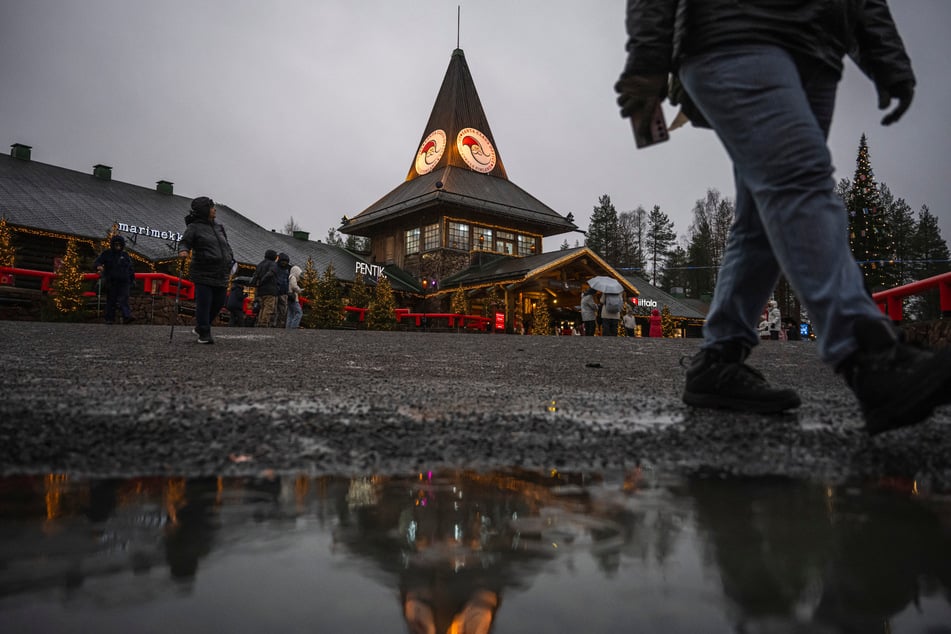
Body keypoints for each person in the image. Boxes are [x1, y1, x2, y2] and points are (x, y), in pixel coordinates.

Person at [616, 0, 951, 434]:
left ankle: (718, 359)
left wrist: (886, 54)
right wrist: (647, 60)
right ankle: (868, 356)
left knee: (759, 218)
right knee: (799, 180)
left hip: (819, 50)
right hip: (731, 29)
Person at [177, 196, 234, 344]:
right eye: (211, 207)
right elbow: (185, 242)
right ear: (204, 210)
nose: (214, 210)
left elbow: (226, 246)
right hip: (203, 271)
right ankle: (204, 333)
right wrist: (183, 251)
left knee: (219, 302)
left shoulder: (219, 227)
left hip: (221, 272)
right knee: (205, 302)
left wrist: (231, 259)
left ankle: (202, 326)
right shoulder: (194, 227)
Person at [94, 234, 136, 324]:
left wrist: (132, 279)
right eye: (116, 244)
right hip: (111, 281)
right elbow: (97, 262)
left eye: (119, 244)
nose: (117, 246)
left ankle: (127, 316)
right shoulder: (107, 254)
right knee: (111, 300)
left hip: (124, 281)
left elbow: (130, 269)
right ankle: (109, 318)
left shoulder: (125, 255)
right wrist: (99, 266)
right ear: (113, 244)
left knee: (124, 299)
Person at [250, 249, 279, 327]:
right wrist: (263, 280)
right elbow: (270, 273)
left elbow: (255, 275)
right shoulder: (273, 264)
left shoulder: (260, 264)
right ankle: (264, 323)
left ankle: (260, 322)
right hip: (270, 289)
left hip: (260, 290)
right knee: (268, 307)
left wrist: (256, 285)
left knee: (262, 307)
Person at [275, 252, 291, 328]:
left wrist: (287, 291)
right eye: (283, 261)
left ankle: (279, 325)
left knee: (282, 310)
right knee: (274, 309)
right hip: (275, 292)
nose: (284, 263)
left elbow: (287, 281)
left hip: (283, 292)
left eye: (286, 261)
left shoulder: (287, 270)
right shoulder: (275, 268)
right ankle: (273, 324)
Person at [286, 263, 303, 329]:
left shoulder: (289, 277)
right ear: (296, 272)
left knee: (290, 314)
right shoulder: (293, 277)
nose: (299, 275)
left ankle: (288, 328)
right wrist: (299, 290)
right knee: (299, 313)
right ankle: (293, 327)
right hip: (293, 298)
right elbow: (294, 286)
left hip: (289, 298)